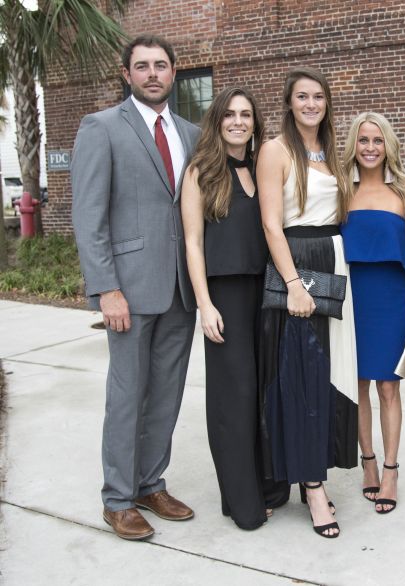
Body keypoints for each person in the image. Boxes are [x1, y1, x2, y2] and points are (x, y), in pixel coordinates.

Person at [71, 35, 200, 540]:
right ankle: (118, 498)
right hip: (128, 288)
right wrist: (106, 288)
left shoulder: (192, 131)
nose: (152, 74)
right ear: (126, 74)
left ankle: (150, 482)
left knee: (166, 394)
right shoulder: (101, 127)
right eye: (142, 66)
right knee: (127, 395)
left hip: (180, 290)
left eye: (161, 66)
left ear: (174, 73)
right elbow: (89, 215)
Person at [257, 67, 358, 538]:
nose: (311, 104)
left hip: (333, 262)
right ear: (290, 103)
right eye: (303, 96)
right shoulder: (275, 151)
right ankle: (313, 485)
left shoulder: (332, 154)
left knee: (331, 374)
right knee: (304, 374)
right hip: (297, 263)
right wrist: (294, 282)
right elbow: (272, 224)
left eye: (319, 96)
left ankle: (316, 467)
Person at [181, 87, 272, 530]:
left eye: (247, 115)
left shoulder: (261, 168)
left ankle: (260, 489)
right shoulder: (201, 171)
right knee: (232, 401)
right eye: (230, 114)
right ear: (217, 121)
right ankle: (243, 504)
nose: (239, 121)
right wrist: (204, 303)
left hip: (266, 293)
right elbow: (193, 243)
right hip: (225, 299)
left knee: (261, 395)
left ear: (256, 123)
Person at [340, 112, 405, 514]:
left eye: (378, 140)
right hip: (351, 296)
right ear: (353, 146)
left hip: (392, 297)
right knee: (357, 384)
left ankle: (391, 469)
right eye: (364, 140)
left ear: (388, 145)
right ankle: (369, 463)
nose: (371, 148)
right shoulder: (341, 190)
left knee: (388, 386)